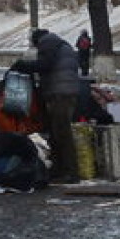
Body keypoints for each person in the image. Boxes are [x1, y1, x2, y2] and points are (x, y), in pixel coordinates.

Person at [12, 29, 80, 181]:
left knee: (61, 133)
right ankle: (59, 170)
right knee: (56, 132)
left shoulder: (48, 43)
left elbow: (45, 64)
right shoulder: (59, 43)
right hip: (65, 91)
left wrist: (23, 65)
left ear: (37, 40)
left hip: (60, 93)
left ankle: (70, 172)